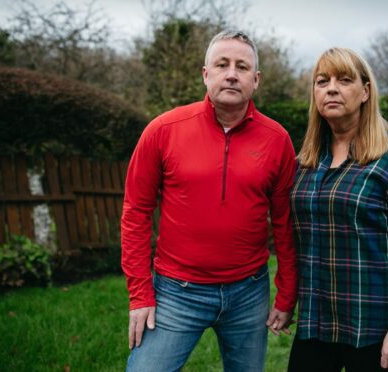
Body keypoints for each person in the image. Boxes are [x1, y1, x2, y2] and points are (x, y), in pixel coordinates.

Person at [121, 30, 298, 372]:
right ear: (206, 74)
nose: (232, 73)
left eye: (242, 67)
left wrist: (287, 292)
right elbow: (136, 212)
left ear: (256, 79)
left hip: (249, 293)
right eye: (222, 64)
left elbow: (286, 223)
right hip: (176, 292)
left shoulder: (277, 141)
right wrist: (140, 294)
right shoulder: (163, 130)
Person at [287, 48, 388, 372]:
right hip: (317, 320)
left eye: (344, 80)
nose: (331, 88)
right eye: (322, 81)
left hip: (374, 321)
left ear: (365, 92)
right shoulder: (306, 161)